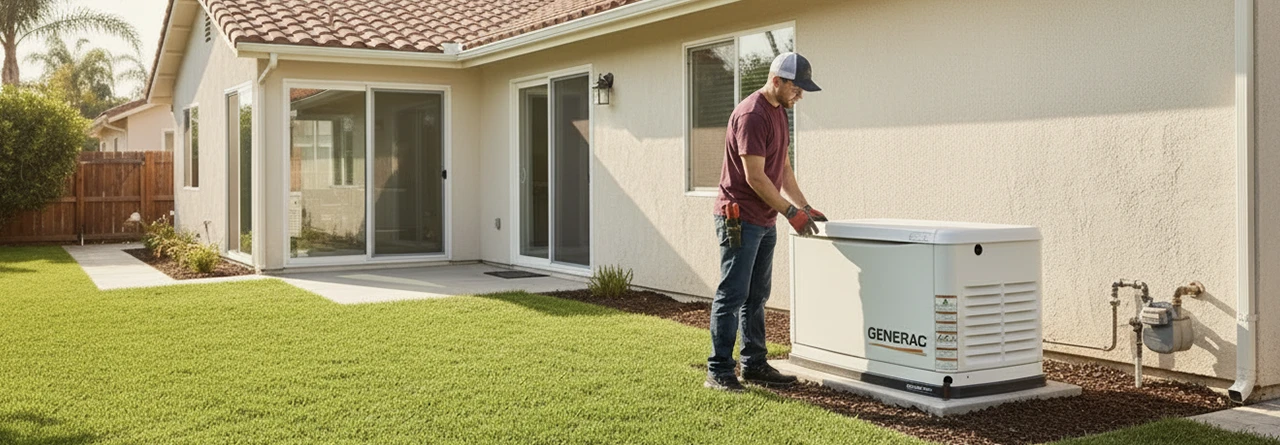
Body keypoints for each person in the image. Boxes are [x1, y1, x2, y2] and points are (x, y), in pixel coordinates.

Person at [706, 52, 827, 392]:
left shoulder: (778, 113)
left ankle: (754, 364)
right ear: (777, 81)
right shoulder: (752, 115)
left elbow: (782, 167)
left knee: (757, 295)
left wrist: (805, 205)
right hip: (739, 217)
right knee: (733, 294)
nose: (800, 94)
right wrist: (791, 213)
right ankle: (718, 370)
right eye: (796, 87)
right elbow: (756, 178)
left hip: (764, 219)